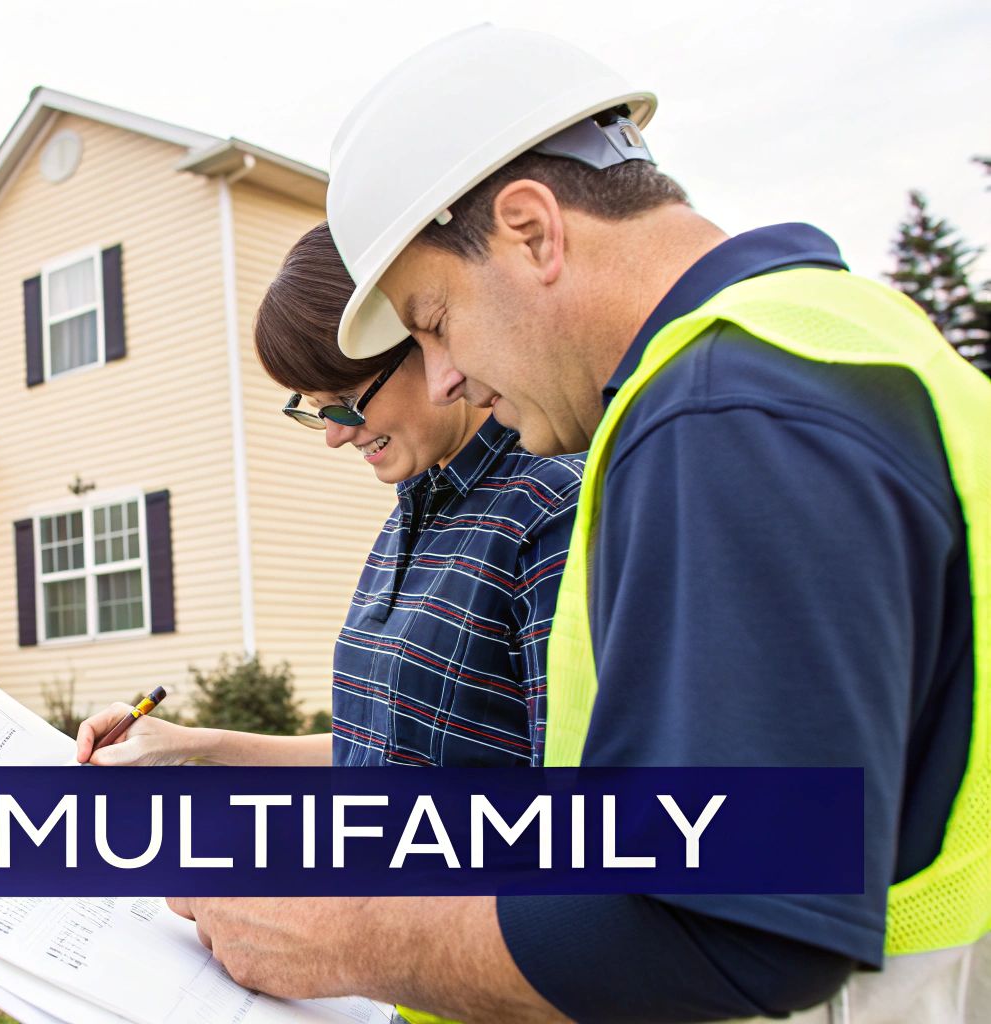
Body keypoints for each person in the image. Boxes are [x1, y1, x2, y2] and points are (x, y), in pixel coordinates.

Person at [166, 24, 991, 1024]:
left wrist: (340, 933)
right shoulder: (831, 339)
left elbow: (736, 925)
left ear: (530, 230)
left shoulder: (724, 415)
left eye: (431, 321)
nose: (446, 377)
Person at [78, 222, 581, 772]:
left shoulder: (550, 508)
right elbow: (374, 745)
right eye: (316, 409)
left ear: (428, 339)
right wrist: (194, 745)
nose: (336, 433)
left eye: (345, 400)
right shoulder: (418, 506)